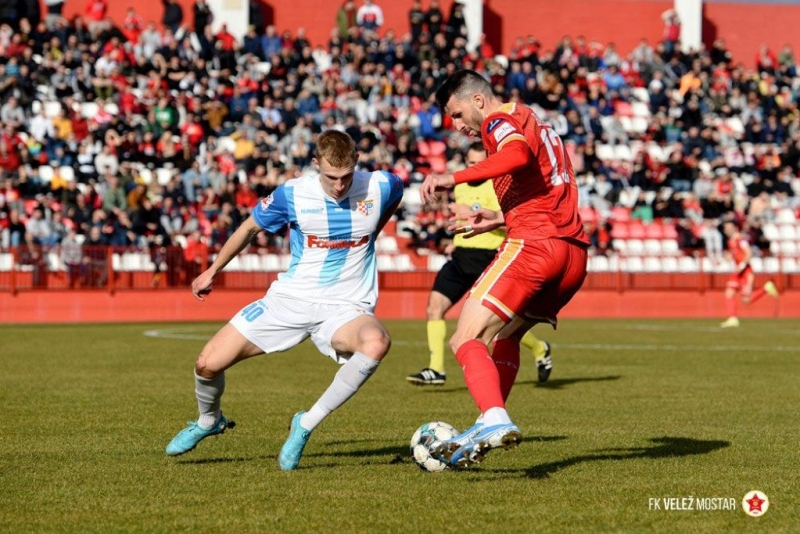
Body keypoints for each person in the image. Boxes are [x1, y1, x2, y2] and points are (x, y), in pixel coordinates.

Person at [165, 131, 404, 471]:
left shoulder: (382, 185)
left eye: (346, 176)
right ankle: (209, 421)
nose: (339, 186)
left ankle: (305, 424)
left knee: (377, 342)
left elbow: (392, 201)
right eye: (331, 177)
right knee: (207, 364)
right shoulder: (292, 193)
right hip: (290, 299)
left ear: (356, 163)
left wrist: (372, 233)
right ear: (315, 164)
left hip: (345, 306)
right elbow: (249, 228)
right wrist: (212, 270)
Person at [419, 69, 589, 468]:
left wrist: (452, 177)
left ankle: (494, 418)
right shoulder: (533, 120)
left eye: (457, 114)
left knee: (465, 337)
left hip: (535, 246)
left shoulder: (497, 121)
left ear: (478, 100)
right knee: (508, 335)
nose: (457, 125)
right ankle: (489, 420)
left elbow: (517, 157)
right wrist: (499, 217)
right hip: (573, 253)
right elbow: (545, 183)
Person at [407, 141, 554, 386]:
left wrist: (472, 209)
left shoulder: (501, 184)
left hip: (490, 259)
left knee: (498, 326)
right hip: (461, 256)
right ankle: (436, 369)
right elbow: (463, 220)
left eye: (480, 163)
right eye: (471, 163)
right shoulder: (460, 185)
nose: (475, 167)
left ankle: (539, 348)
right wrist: (454, 239)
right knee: (434, 307)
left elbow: (512, 221)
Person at [720, 220, 778, 328]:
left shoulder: (741, 239)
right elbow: (734, 254)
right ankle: (733, 318)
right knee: (729, 292)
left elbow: (748, 253)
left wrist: (741, 265)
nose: (727, 230)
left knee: (746, 300)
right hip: (737, 272)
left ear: (735, 228)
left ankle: (766, 288)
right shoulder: (730, 241)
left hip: (745, 271)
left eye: (729, 228)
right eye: (726, 228)